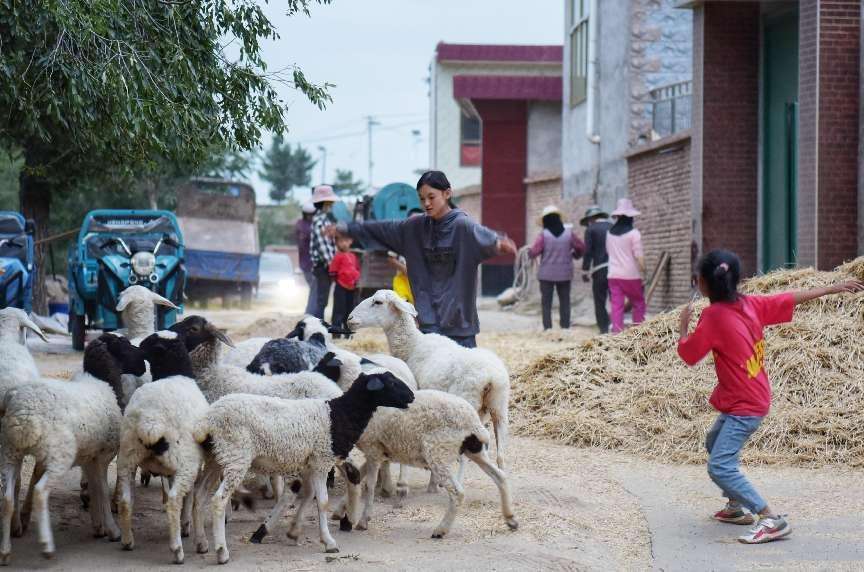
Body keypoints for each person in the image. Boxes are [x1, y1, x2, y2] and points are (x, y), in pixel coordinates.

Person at [678, 249, 863, 544]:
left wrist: (683, 326)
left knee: (719, 466)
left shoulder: (712, 317)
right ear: (738, 280)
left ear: (701, 283)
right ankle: (736, 506)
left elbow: (688, 355)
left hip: (744, 405)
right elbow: (789, 298)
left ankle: (770, 518)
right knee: (714, 443)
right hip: (751, 396)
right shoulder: (749, 303)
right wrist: (829, 288)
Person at [329, 170, 517, 348]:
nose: (426, 203)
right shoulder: (413, 228)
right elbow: (380, 229)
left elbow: (487, 239)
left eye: (431, 197)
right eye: (421, 199)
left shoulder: (463, 226)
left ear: (447, 193)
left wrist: (499, 245)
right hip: (429, 325)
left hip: (460, 327)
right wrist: (346, 228)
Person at [527, 205, 585, 330]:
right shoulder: (569, 234)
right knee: (565, 301)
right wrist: (575, 255)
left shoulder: (543, 235)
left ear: (545, 221)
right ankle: (565, 327)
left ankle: (548, 328)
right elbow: (581, 247)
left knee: (546, 303)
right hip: (564, 274)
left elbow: (533, 252)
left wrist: (529, 252)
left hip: (546, 275)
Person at [606, 198, 645, 333]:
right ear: (630, 217)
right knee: (638, 303)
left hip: (613, 275)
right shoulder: (634, 234)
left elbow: (609, 252)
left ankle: (617, 334)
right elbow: (639, 256)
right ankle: (638, 332)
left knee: (617, 305)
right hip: (631, 275)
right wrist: (643, 271)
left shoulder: (609, 233)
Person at [580, 205, 612, 334]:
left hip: (599, 270)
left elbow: (588, 252)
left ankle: (603, 328)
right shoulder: (612, 227)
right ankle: (615, 325)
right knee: (615, 300)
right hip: (616, 269)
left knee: (599, 301)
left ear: (590, 219)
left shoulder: (590, 229)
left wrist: (585, 270)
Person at [309, 185, 339, 320]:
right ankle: (317, 326)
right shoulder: (320, 220)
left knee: (323, 299)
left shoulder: (323, 219)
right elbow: (323, 246)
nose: (332, 204)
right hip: (323, 266)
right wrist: (333, 265)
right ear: (325, 203)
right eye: (330, 202)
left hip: (325, 265)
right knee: (322, 300)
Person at [389, 208, 423, 305]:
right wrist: (406, 270)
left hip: (421, 283)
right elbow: (391, 259)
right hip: (402, 282)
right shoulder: (399, 239)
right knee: (404, 308)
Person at [328, 234, 361, 337]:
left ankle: (348, 334)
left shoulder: (353, 256)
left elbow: (356, 269)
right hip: (341, 287)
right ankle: (336, 334)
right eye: (341, 241)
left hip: (352, 288)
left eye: (346, 241)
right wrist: (339, 282)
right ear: (337, 243)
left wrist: (355, 281)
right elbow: (333, 272)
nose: (344, 243)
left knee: (350, 312)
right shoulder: (337, 256)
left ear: (350, 241)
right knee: (338, 311)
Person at [295, 202, 317, 315]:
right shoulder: (303, 225)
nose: (311, 216)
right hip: (307, 263)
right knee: (314, 288)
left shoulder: (308, 224)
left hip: (310, 262)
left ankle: (311, 311)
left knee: (314, 289)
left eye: (312, 214)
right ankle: (310, 312)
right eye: (309, 214)